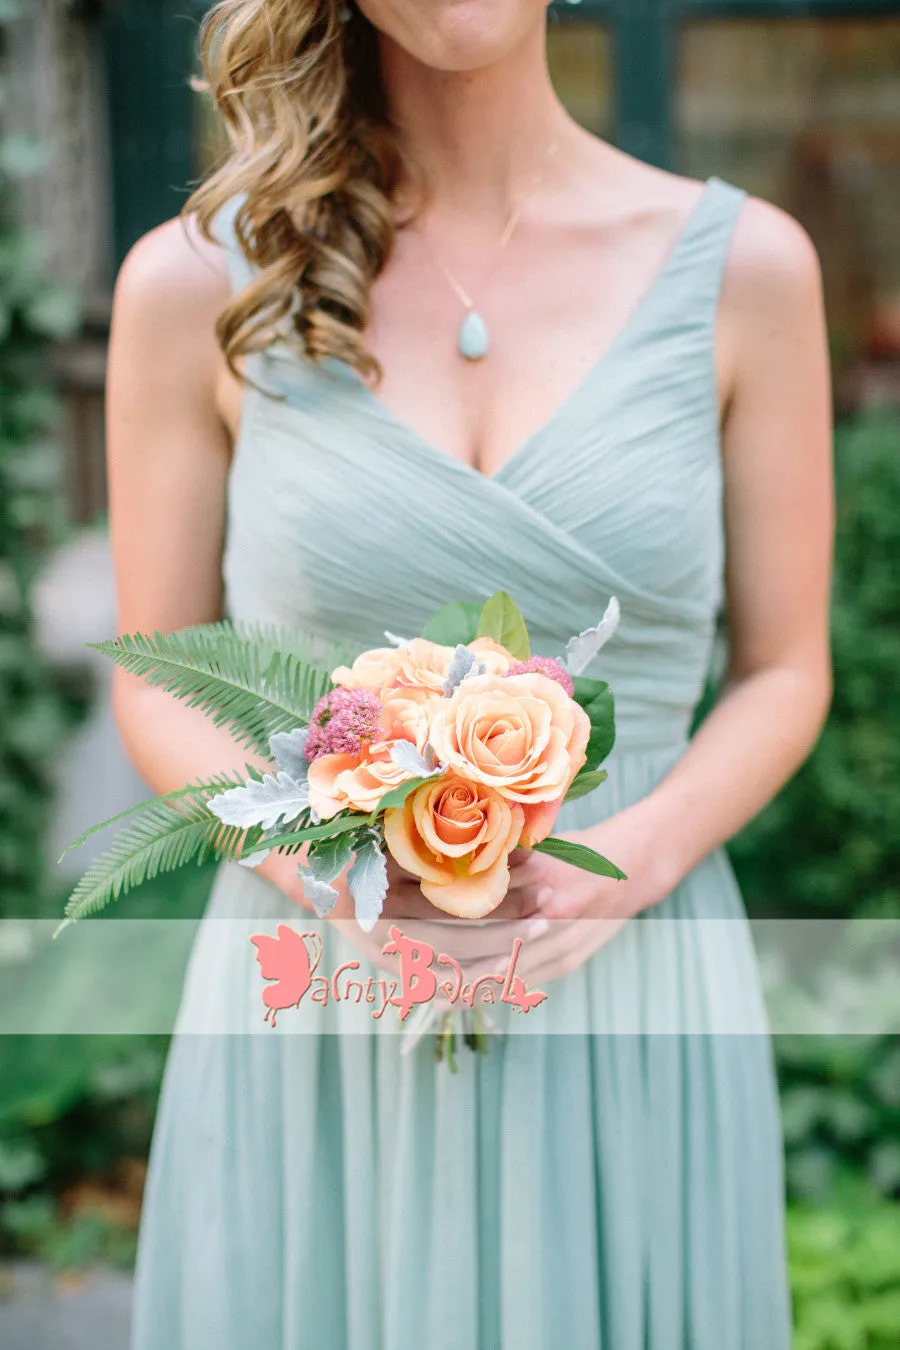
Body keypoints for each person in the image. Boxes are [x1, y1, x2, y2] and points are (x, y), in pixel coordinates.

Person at [110, 2, 834, 1347]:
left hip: (631, 970)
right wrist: (319, 871)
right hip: (320, 996)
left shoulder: (750, 271)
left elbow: (788, 669)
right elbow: (154, 676)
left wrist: (630, 864)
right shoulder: (192, 285)